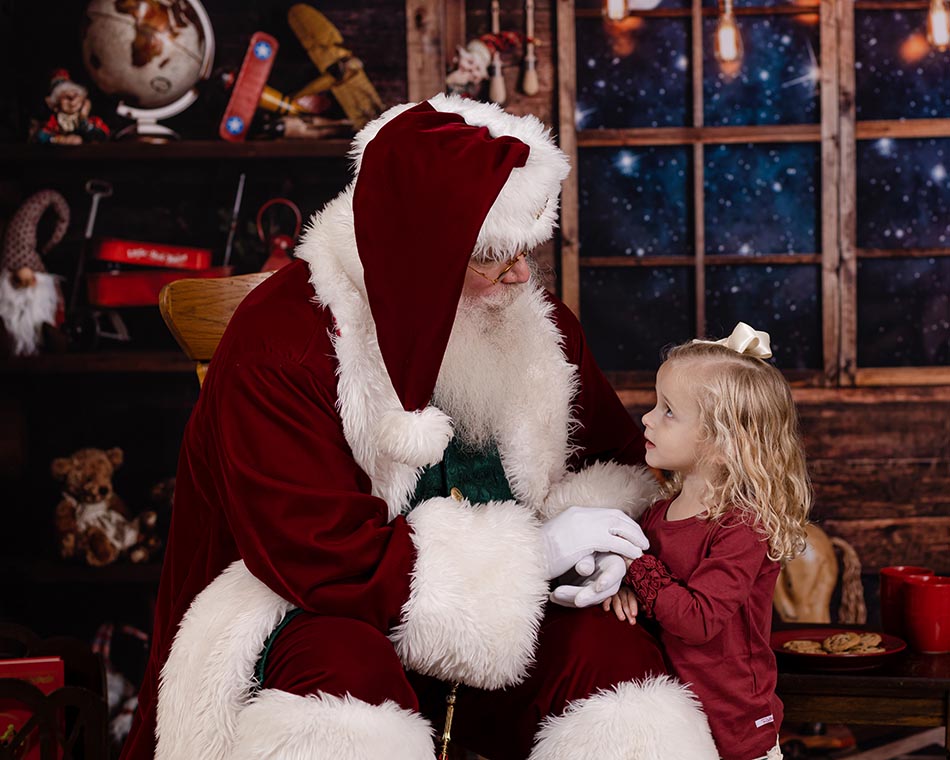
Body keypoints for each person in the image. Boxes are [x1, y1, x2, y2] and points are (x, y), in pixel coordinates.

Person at [120, 95, 719, 760]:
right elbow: (316, 558)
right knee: (341, 691)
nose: (521, 273)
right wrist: (527, 559)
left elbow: (616, 464)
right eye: (492, 255)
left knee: (615, 669)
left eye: (525, 248)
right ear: (416, 256)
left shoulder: (533, 325)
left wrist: (609, 545)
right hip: (310, 616)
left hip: (505, 633)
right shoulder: (281, 346)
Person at [603, 324, 811, 760]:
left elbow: (697, 620)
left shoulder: (743, 526)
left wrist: (633, 560)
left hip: (736, 724)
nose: (647, 417)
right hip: (677, 720)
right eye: (656, 405)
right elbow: (657, 597)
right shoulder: (658, 514)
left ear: (721, 443)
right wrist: (626, 585)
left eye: (668, 412)